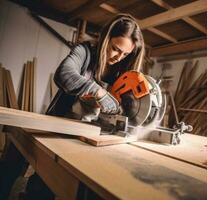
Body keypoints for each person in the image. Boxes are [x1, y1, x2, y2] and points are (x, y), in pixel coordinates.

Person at [0, 13, 145, 199]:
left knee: (61, 187)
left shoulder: (121, 70)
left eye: (126, 54)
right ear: (106, 38)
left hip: (91, 137)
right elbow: (63, 74)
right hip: (59, 125)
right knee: (27, 175)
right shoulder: (85, 51)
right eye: (115, 48)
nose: (119, 57)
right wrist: (97, 91)